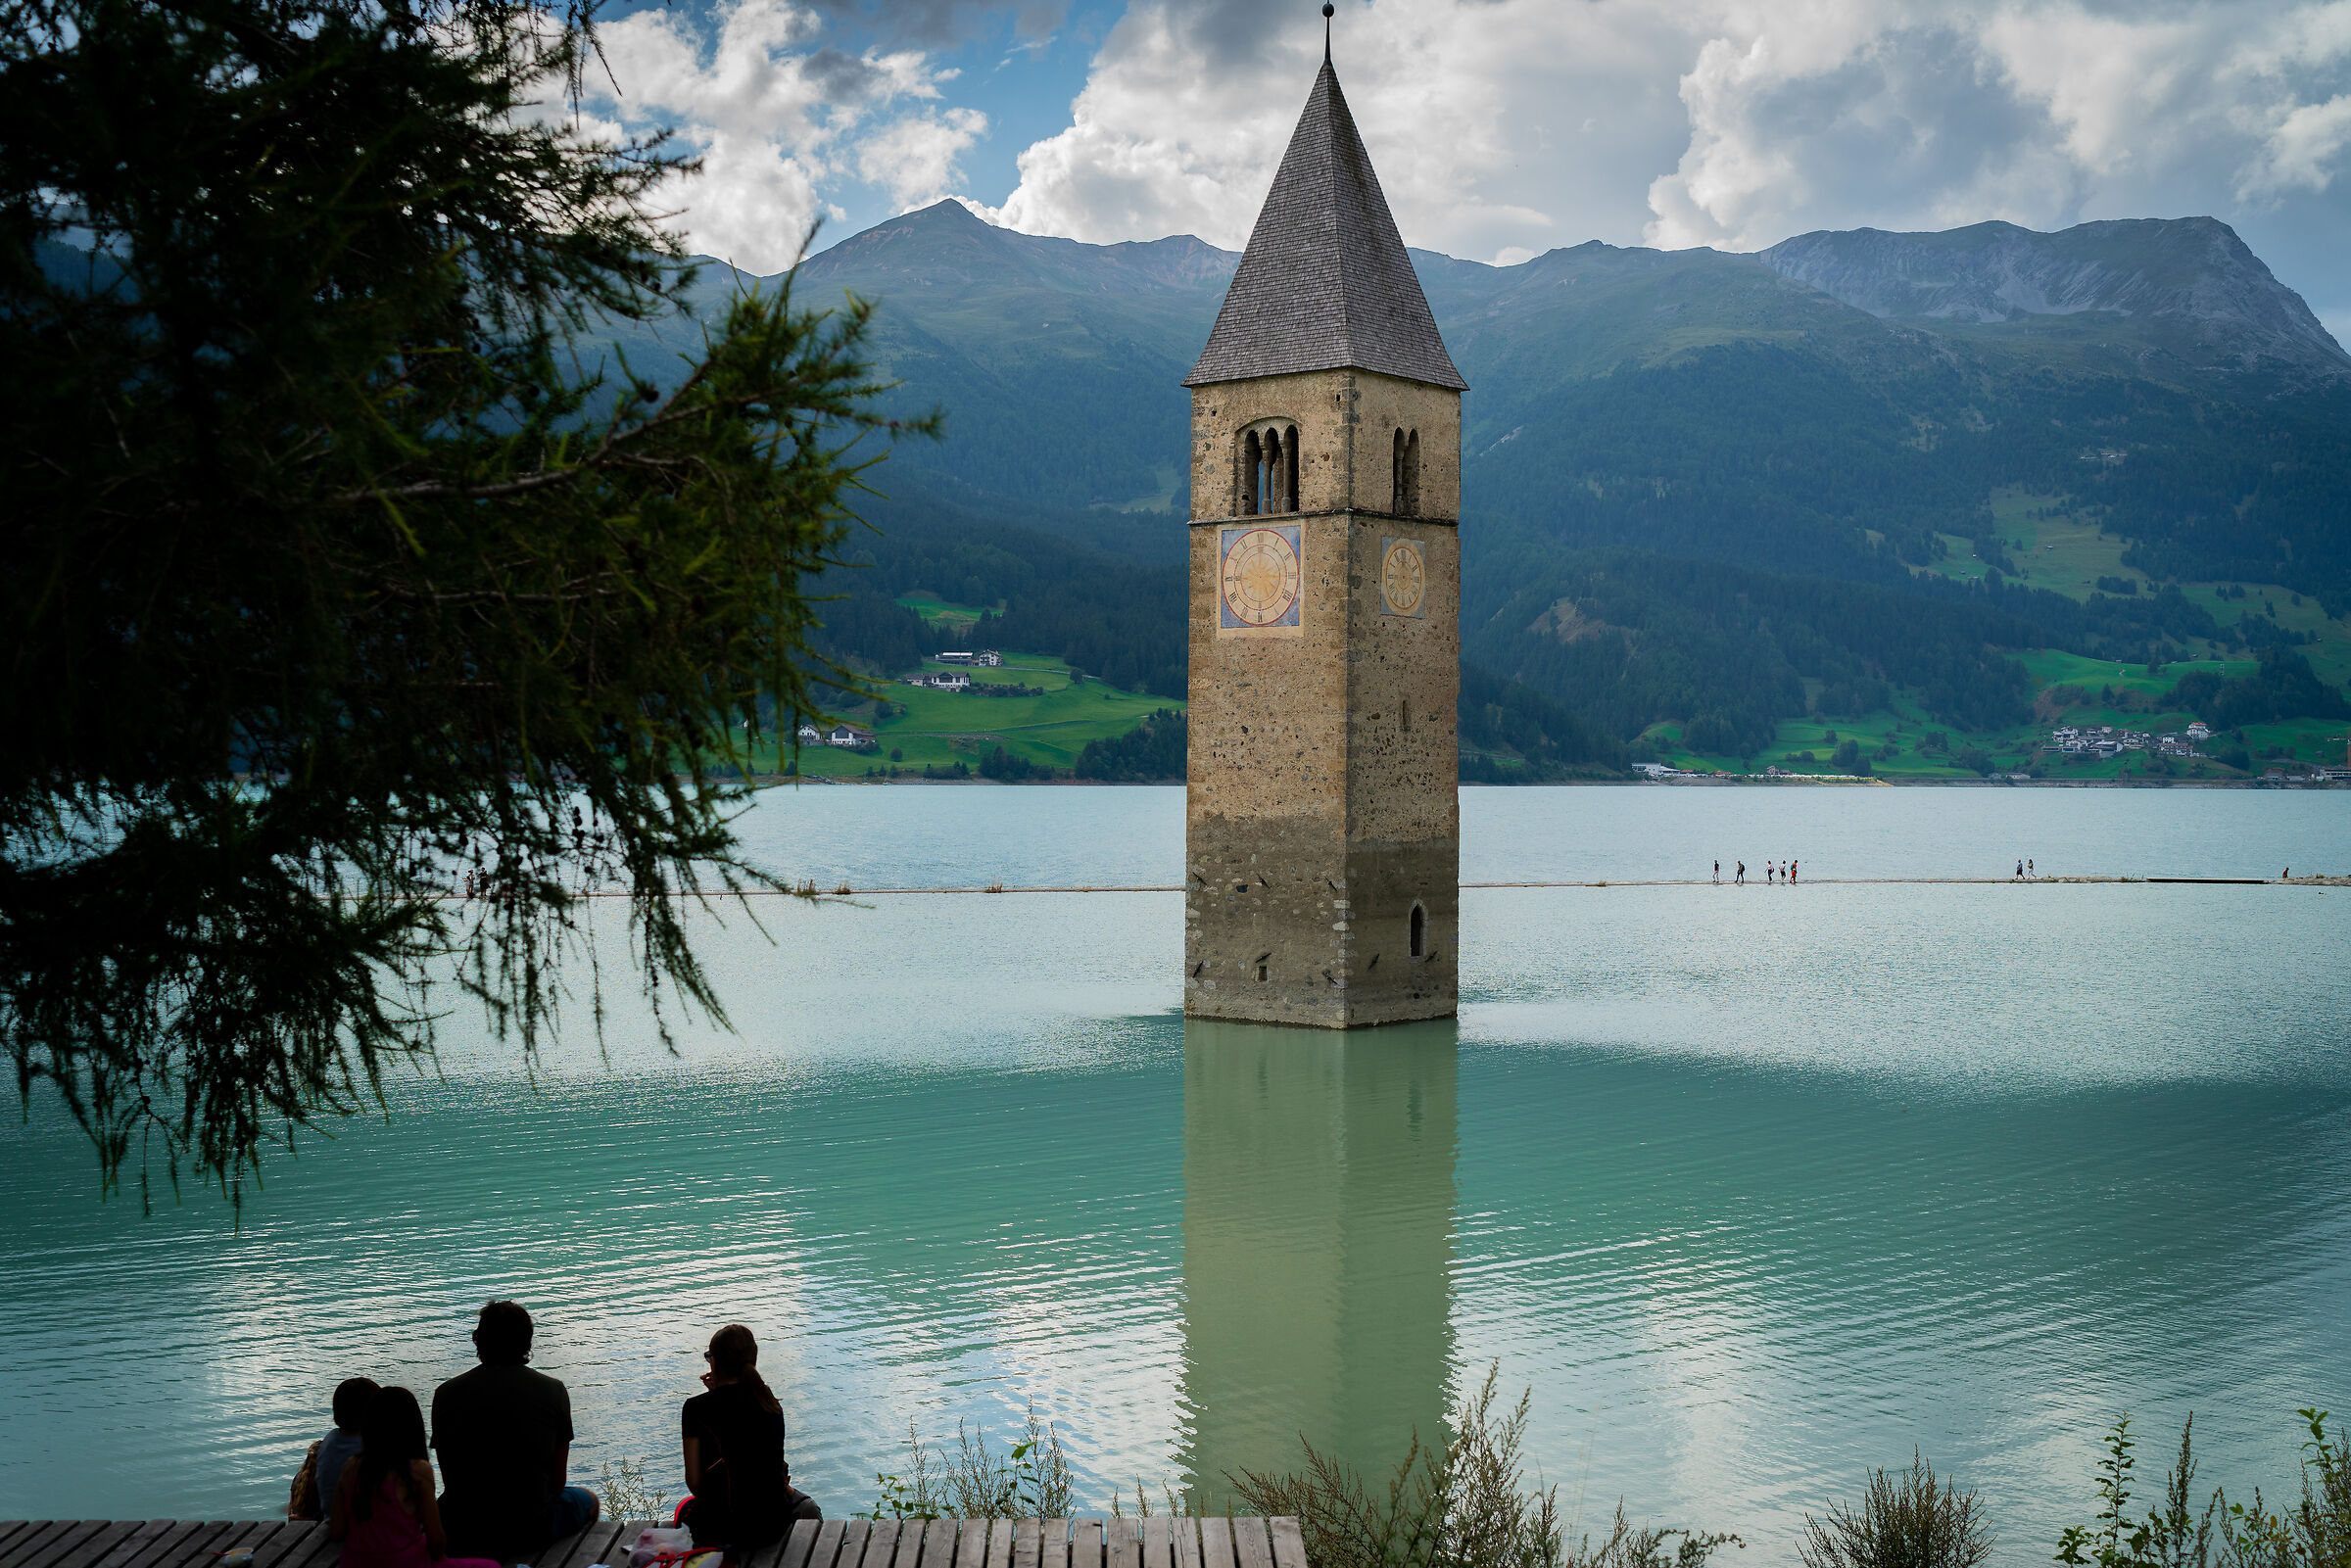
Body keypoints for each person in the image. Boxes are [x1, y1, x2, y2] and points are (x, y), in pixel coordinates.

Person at [431, 1301, 599, 1560]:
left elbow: (450, 1479)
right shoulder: (552, 1390)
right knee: (589, 1500)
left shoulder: (446, 1394)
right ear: (527, 1341)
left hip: (463, 1528)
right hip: (530, 1527)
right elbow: (558, 1482)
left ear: (478, 1340)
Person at [678, 1325, 821, 1555]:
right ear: (753, 1359)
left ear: (714, 1363)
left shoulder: (695, 1408)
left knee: (686, 1510)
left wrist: (714, 1395)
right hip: (772, 1527)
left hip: (722, 1532)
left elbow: (695, 1484)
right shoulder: (770, 1402)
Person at [335, 1387, 501, 1568]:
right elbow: (436, 1540)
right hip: (407, 1561)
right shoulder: (417, 1471)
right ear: (413, 1425)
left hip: (354, 1562)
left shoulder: (351, 1467)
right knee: (490, 1566)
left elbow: (337, 1530)